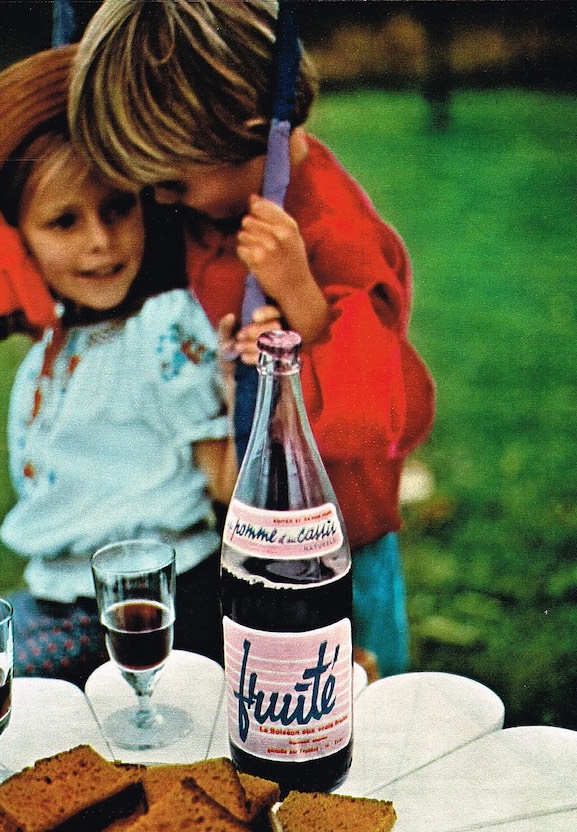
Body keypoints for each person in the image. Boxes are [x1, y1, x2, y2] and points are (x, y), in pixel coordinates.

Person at [68, 0, 436, 678]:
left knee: (358, 707)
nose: (164, 202)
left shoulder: (332, 234)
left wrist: (300, 296)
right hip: (242, 530)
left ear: (249, 136)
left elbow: (378, 413)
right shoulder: (221, 203)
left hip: (337, 543)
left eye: (173, 183)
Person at [0, 45, 239, 687]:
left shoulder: (162, 328)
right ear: (13, 241)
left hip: (150, 608)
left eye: (118, 208)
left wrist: (239, 397)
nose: (100, 240)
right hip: (63, 596)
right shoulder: (52, 355)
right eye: (65, 221)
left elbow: (223, 484)